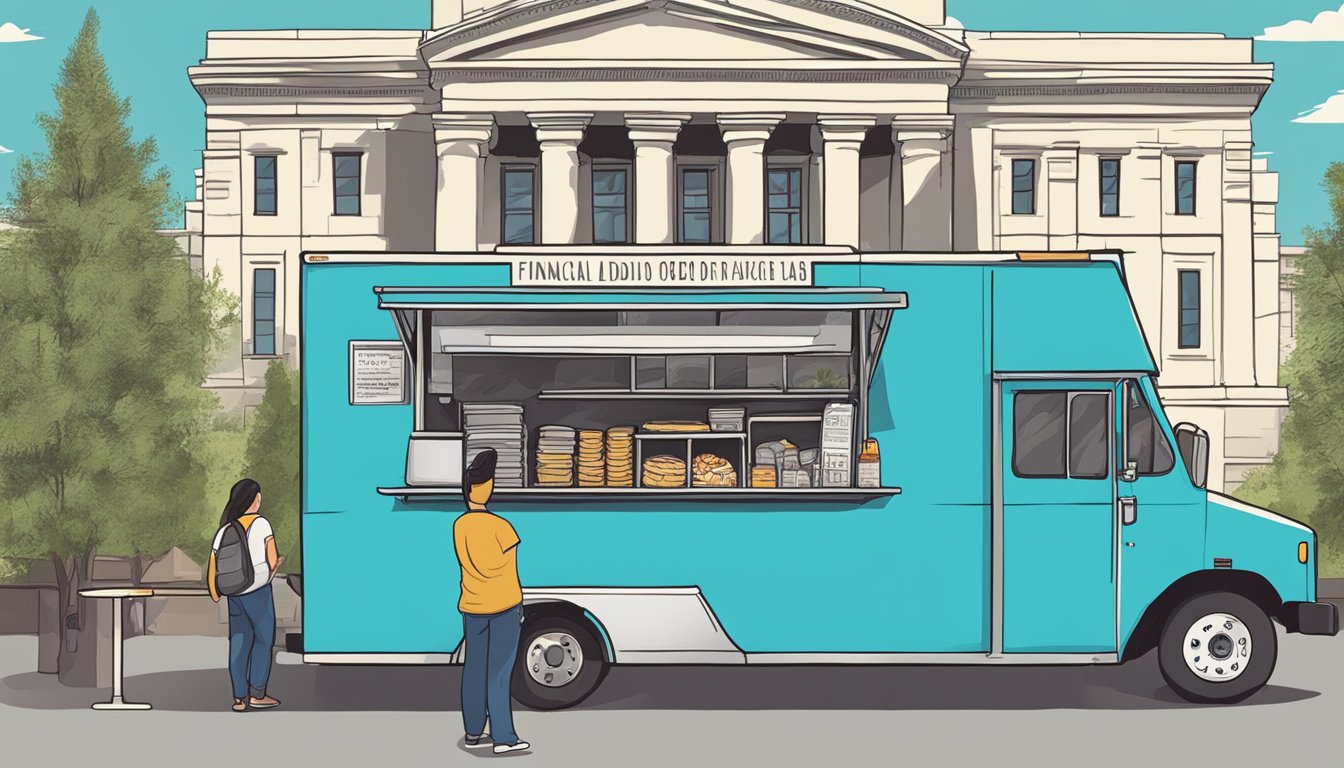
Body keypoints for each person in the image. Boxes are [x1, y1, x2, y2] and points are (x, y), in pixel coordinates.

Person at [454, 449, 530, 754]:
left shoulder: (460, 526)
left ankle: (473, 731)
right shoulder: (502, 527)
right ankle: (504, 738)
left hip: (472, 606)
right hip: (503, 607)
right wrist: (520, 606)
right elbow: (510, 571)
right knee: (499, 672)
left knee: (474, 669)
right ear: (483, 488)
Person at [208, 478, 283, 713]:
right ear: (256, 499)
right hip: (257, 592)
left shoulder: (225, 529)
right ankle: (257, 695)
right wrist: (276, 565)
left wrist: (215, 592)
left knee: (239, 643)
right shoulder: (262, 524)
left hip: (234, 594)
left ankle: (239, 698)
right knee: (262, 642)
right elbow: (272, 560)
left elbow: (213, 564)